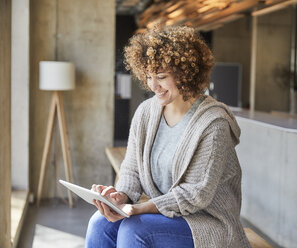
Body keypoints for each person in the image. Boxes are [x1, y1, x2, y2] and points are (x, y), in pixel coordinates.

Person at [85, 25, 252, 248]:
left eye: (161, 77)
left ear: (186, 74)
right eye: (149, 76)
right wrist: (120, 197)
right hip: (165, 214)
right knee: (99, 223)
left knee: (135, 230)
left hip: (206, 222)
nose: (153, 86)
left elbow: (195, 194)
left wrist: (140, 208)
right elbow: (131, 168)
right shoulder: (146, 112)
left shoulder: (213, 123)